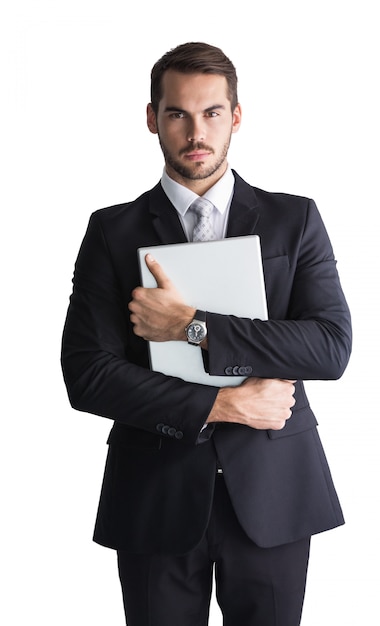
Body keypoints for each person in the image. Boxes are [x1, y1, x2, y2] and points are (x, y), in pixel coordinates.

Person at [61, 42, 352, 626]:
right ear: (153, 119)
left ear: (236, 116)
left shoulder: (294, 220)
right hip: (154, 493)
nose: (197, 132)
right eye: (178, 114)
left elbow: (329, 346)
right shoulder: (111, 231)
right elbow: (88, 375)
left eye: (212, 113)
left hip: (274, 491)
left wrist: (191, 327)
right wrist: (221, 404)